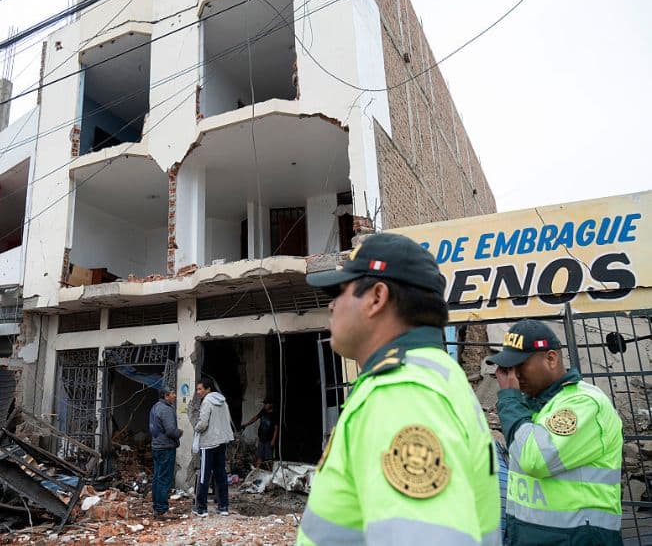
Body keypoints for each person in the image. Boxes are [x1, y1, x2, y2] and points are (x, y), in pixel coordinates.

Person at [297, 232, 500, 545]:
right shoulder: (434, 375)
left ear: (377, 297)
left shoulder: (403, 392)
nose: (332, 306)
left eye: (340, 291)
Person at [488, 319, 623, 545]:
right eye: (508, 368)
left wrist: (510, 402)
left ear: (551, 359)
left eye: (520, 365)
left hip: (578, 538)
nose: (514, 375)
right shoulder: (536, 406)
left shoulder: (584, 403)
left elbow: (536, 460)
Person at [192, 378, 235, 517]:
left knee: (204, 475)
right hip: (222, 442)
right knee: (221, 475)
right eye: (197, 389)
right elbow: (227, 420)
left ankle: (201, 508)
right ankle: (223, 507)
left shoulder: (206, 401)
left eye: (200, 389)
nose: (198, 392)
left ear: (208, 389)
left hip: (208, 443)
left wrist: (196, 428)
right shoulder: (223, 402)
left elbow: (203, 423)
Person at [149, 386, 183, 519]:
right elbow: (170, 431)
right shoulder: (166, 410)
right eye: (173, 393)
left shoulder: (155, 407)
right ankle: (162, 510)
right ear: (166, 396)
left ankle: (157, 507)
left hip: (157, 446)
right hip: (166, 447)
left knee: (157, 477)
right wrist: (179, 433)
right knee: (164, 479)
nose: (175, 396)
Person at [241, 398, 278, 469]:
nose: (264, 405)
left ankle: (271, 471)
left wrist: (273, 440)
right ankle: (256, 470)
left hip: (269, 439)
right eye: (264, 404)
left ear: (271, 404)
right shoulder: (263, 411)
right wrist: (246, 424)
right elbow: (255, 418)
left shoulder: (274, 414)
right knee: (259, 455)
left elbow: (276, 428)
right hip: (261, 438)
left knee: (269, 458)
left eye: (266, 404)